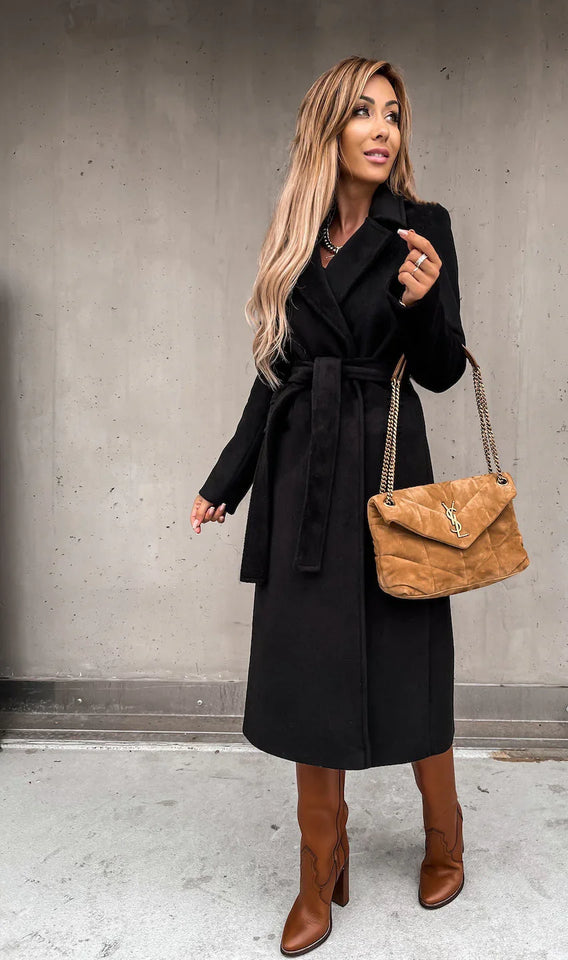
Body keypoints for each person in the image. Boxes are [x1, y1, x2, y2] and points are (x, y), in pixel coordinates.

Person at [191, 56, 466, 956]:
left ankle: (445, 833)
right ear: (330, 130)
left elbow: (439, 369)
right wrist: (226, 479)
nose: (384, 128)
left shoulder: (422, 229)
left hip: (388, 466)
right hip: (302, 470)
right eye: (363, 112)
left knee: (409, 661)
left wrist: (424, 305)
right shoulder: (298, 236)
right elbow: (273, 372)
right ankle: (320, 868)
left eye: (394, 113)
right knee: (310, 672)